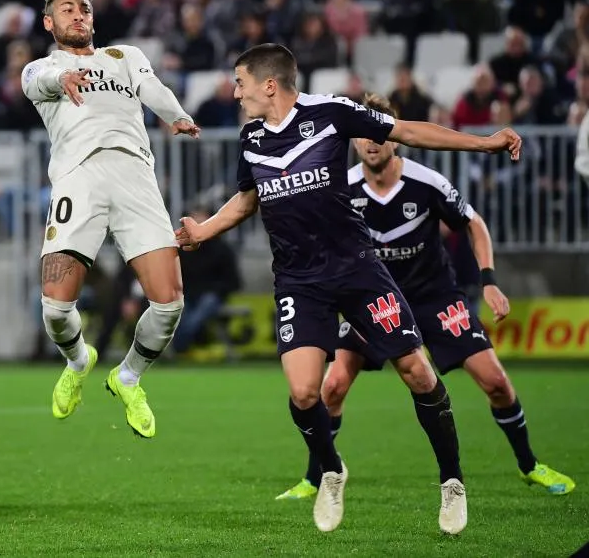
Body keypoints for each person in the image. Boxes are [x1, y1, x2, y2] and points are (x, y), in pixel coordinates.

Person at [175, 43, 522, 535]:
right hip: (298, 279)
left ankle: (452, 481)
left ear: (269, 85)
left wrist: (483, 142)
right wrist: (203, 231)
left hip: (357, 270)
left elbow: (407, 132)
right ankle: (332, 470)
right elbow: (247, 200)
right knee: (303, 391)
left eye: (240, 83)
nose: (235, 92)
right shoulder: (251, 135)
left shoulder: (331, 112)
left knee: (418, 374)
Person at [276, 94, 575, 501]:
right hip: (372, 301)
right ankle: (317, 477)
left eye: (377, 133)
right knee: (332, 387)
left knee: (496, 383)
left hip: (433, 297)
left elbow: (474, 224)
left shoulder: (427, 182)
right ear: (354, 142)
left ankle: (529, 465)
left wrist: (487, 279)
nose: (371, 142)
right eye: (362, 136)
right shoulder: (341, 188)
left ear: (392, 137)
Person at [21, 0, 200, 439]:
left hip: (135, 175)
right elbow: (35, 82)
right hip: (78, 179)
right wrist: (61, 79)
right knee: (56, 309)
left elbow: (152, 87)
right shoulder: (43, 68)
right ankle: (79, 361)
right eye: (66, 9)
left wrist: (176, 115)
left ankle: (128, 378)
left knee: (170, 302)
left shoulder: (124, 57)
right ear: (49, 22)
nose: (77, 14)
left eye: (83, 7)